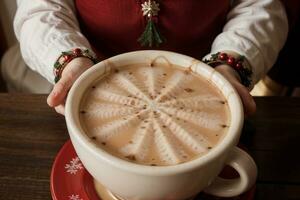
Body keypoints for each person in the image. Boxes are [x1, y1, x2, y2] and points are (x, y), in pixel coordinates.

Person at [9, 0, 288, 115]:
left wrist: (227, 65)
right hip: (97, 93)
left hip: (203, 92)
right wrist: (71, 61)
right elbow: (40, 8)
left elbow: (260, 5)